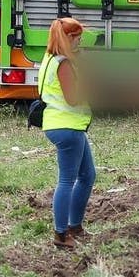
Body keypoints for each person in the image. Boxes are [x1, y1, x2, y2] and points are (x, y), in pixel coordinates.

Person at [38, 17, 95, 249]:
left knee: (87, 176)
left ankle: (75, 227)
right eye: (77, 38)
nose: (80, 42)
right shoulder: (63, 64)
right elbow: (73, 99)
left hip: (63, 125)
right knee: (67, 180)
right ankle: (61, 234)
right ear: (68, 38)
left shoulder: (50, 59)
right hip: (67, 127)